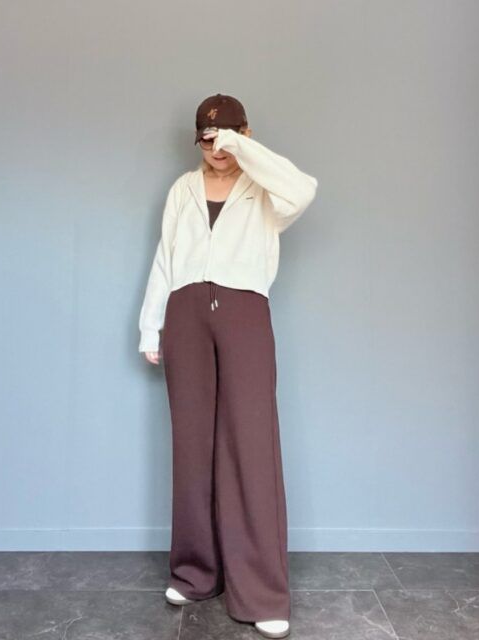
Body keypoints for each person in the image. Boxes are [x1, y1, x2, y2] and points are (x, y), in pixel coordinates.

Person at [138, 93, 318, 638]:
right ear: (197, 140)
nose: (216, 149)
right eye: (208, 139)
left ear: (244, 133)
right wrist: (151, 325)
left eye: (226, 138)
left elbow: (304, 189)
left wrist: (242, 148)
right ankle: (196, 574)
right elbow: (165, 257)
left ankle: (261, 591)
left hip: (243, 311)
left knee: (250, 444)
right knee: (192, 444)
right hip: (185, 311)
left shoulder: (264, 186)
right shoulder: (182, 189)